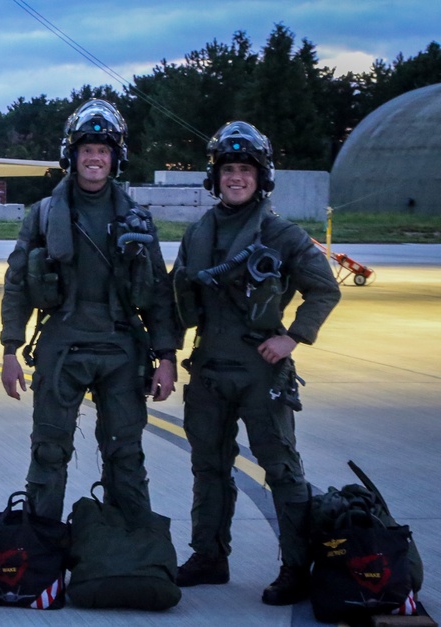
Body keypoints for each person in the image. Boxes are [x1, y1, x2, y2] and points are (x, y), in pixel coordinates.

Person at [171, 121, 341, 605]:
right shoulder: (198, 232)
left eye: (245, 170)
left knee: (281, 469)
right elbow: (176, 295)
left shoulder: (281, 234)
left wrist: (292, 338)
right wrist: (164, 355)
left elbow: (323, 289)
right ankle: (208, 556)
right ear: (215, 177)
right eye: (228, 170)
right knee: (208, 467)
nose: (236, 178)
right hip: (207, 367)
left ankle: (295, 567)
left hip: (260, 368)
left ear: (260, 177)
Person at [0, 99, 179, 524]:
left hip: (121, 347)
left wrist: (167, 357)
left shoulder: (138, 219)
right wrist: (10, 348)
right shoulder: (43, 216)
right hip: (62, 344)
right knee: (48, 451)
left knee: (126, 455)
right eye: (86, 150)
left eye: (103, 149)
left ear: (115, 157)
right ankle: (42, 551)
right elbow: (16, 285)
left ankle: (130, 550)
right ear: (72, 156)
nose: (95, 157)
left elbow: (157, 293)